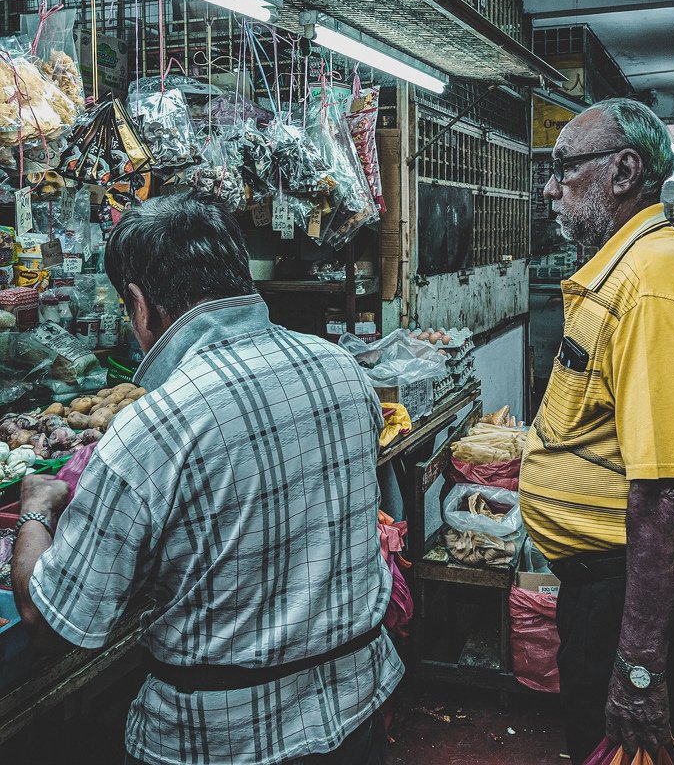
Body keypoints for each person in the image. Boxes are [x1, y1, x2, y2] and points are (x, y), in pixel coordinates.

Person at [12, 194, 403, 765]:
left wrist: (36, 507)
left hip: (218, 741)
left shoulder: (153, 426)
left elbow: (50, 621)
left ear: (140, 305)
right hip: (355, 710)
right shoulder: (342, 370)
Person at [520, 98, 674, 765]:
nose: (550, 188)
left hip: (638, 596)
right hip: (613, 587)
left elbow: (663, 493)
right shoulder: (628, 270)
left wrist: (638, 666)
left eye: (564, 168)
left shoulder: (651, 286)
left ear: (623, 172)